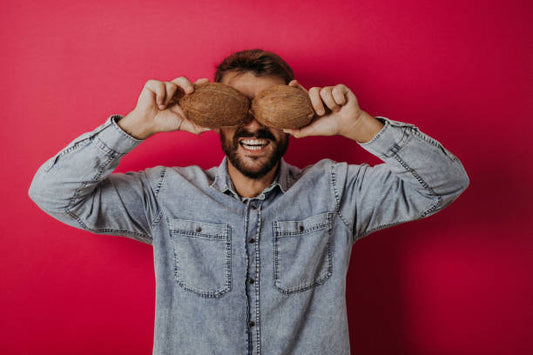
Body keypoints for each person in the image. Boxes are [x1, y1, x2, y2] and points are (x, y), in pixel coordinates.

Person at [29, 48, 469, 355]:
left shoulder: (338, 192)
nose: (254, 125)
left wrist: (360, 126)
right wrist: (137, 125)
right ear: (214, 115)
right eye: (238, 108)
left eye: (267, 106)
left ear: (294, 104)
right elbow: (52, 192)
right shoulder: (165, 194)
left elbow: (445, 182)